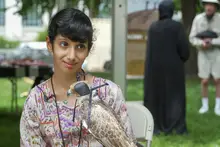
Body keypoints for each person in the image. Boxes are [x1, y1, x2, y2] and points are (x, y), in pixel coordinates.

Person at [20, 8, 136, 146]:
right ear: (50, 45)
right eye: (64, 44)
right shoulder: (36, 101)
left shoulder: (109, 93)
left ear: (88, 49)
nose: (71, 56)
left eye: (80, 46)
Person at [143, 0, 190, 135]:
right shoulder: (177, 27)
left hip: (155, 69)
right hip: (173, 69)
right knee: (175, 97)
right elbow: (184, 51)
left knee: (156, 96)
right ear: (171, 11)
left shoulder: (153, 27)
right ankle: (176, 126)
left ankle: (157, 126)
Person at [189, 0, 220, 116]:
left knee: (218, 79)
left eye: (211, 5)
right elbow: (192, 38)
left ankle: (218, 106)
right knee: (204, 80)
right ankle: (205, 105)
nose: (209, 7)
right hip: (202, 52)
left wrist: (213, 41)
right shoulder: (198, 19)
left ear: (215, 7)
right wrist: (202, 43)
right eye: (207, 4)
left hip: (217, 52)